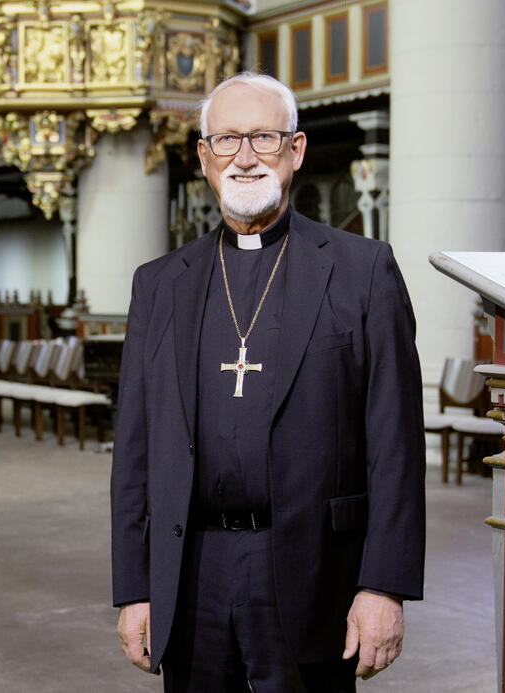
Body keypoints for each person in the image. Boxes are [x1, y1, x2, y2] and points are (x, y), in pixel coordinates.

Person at [110, 72, 425, 692]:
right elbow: (135, 451)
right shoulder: (160, 283)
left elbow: (396, 445)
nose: (245, 157)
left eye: (263, 137)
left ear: (296, 150)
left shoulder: (363, 272)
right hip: (192, 568)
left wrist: (383, 586)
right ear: (203, 157)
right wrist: (135, 588)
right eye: (226, 140)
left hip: (312, 570)